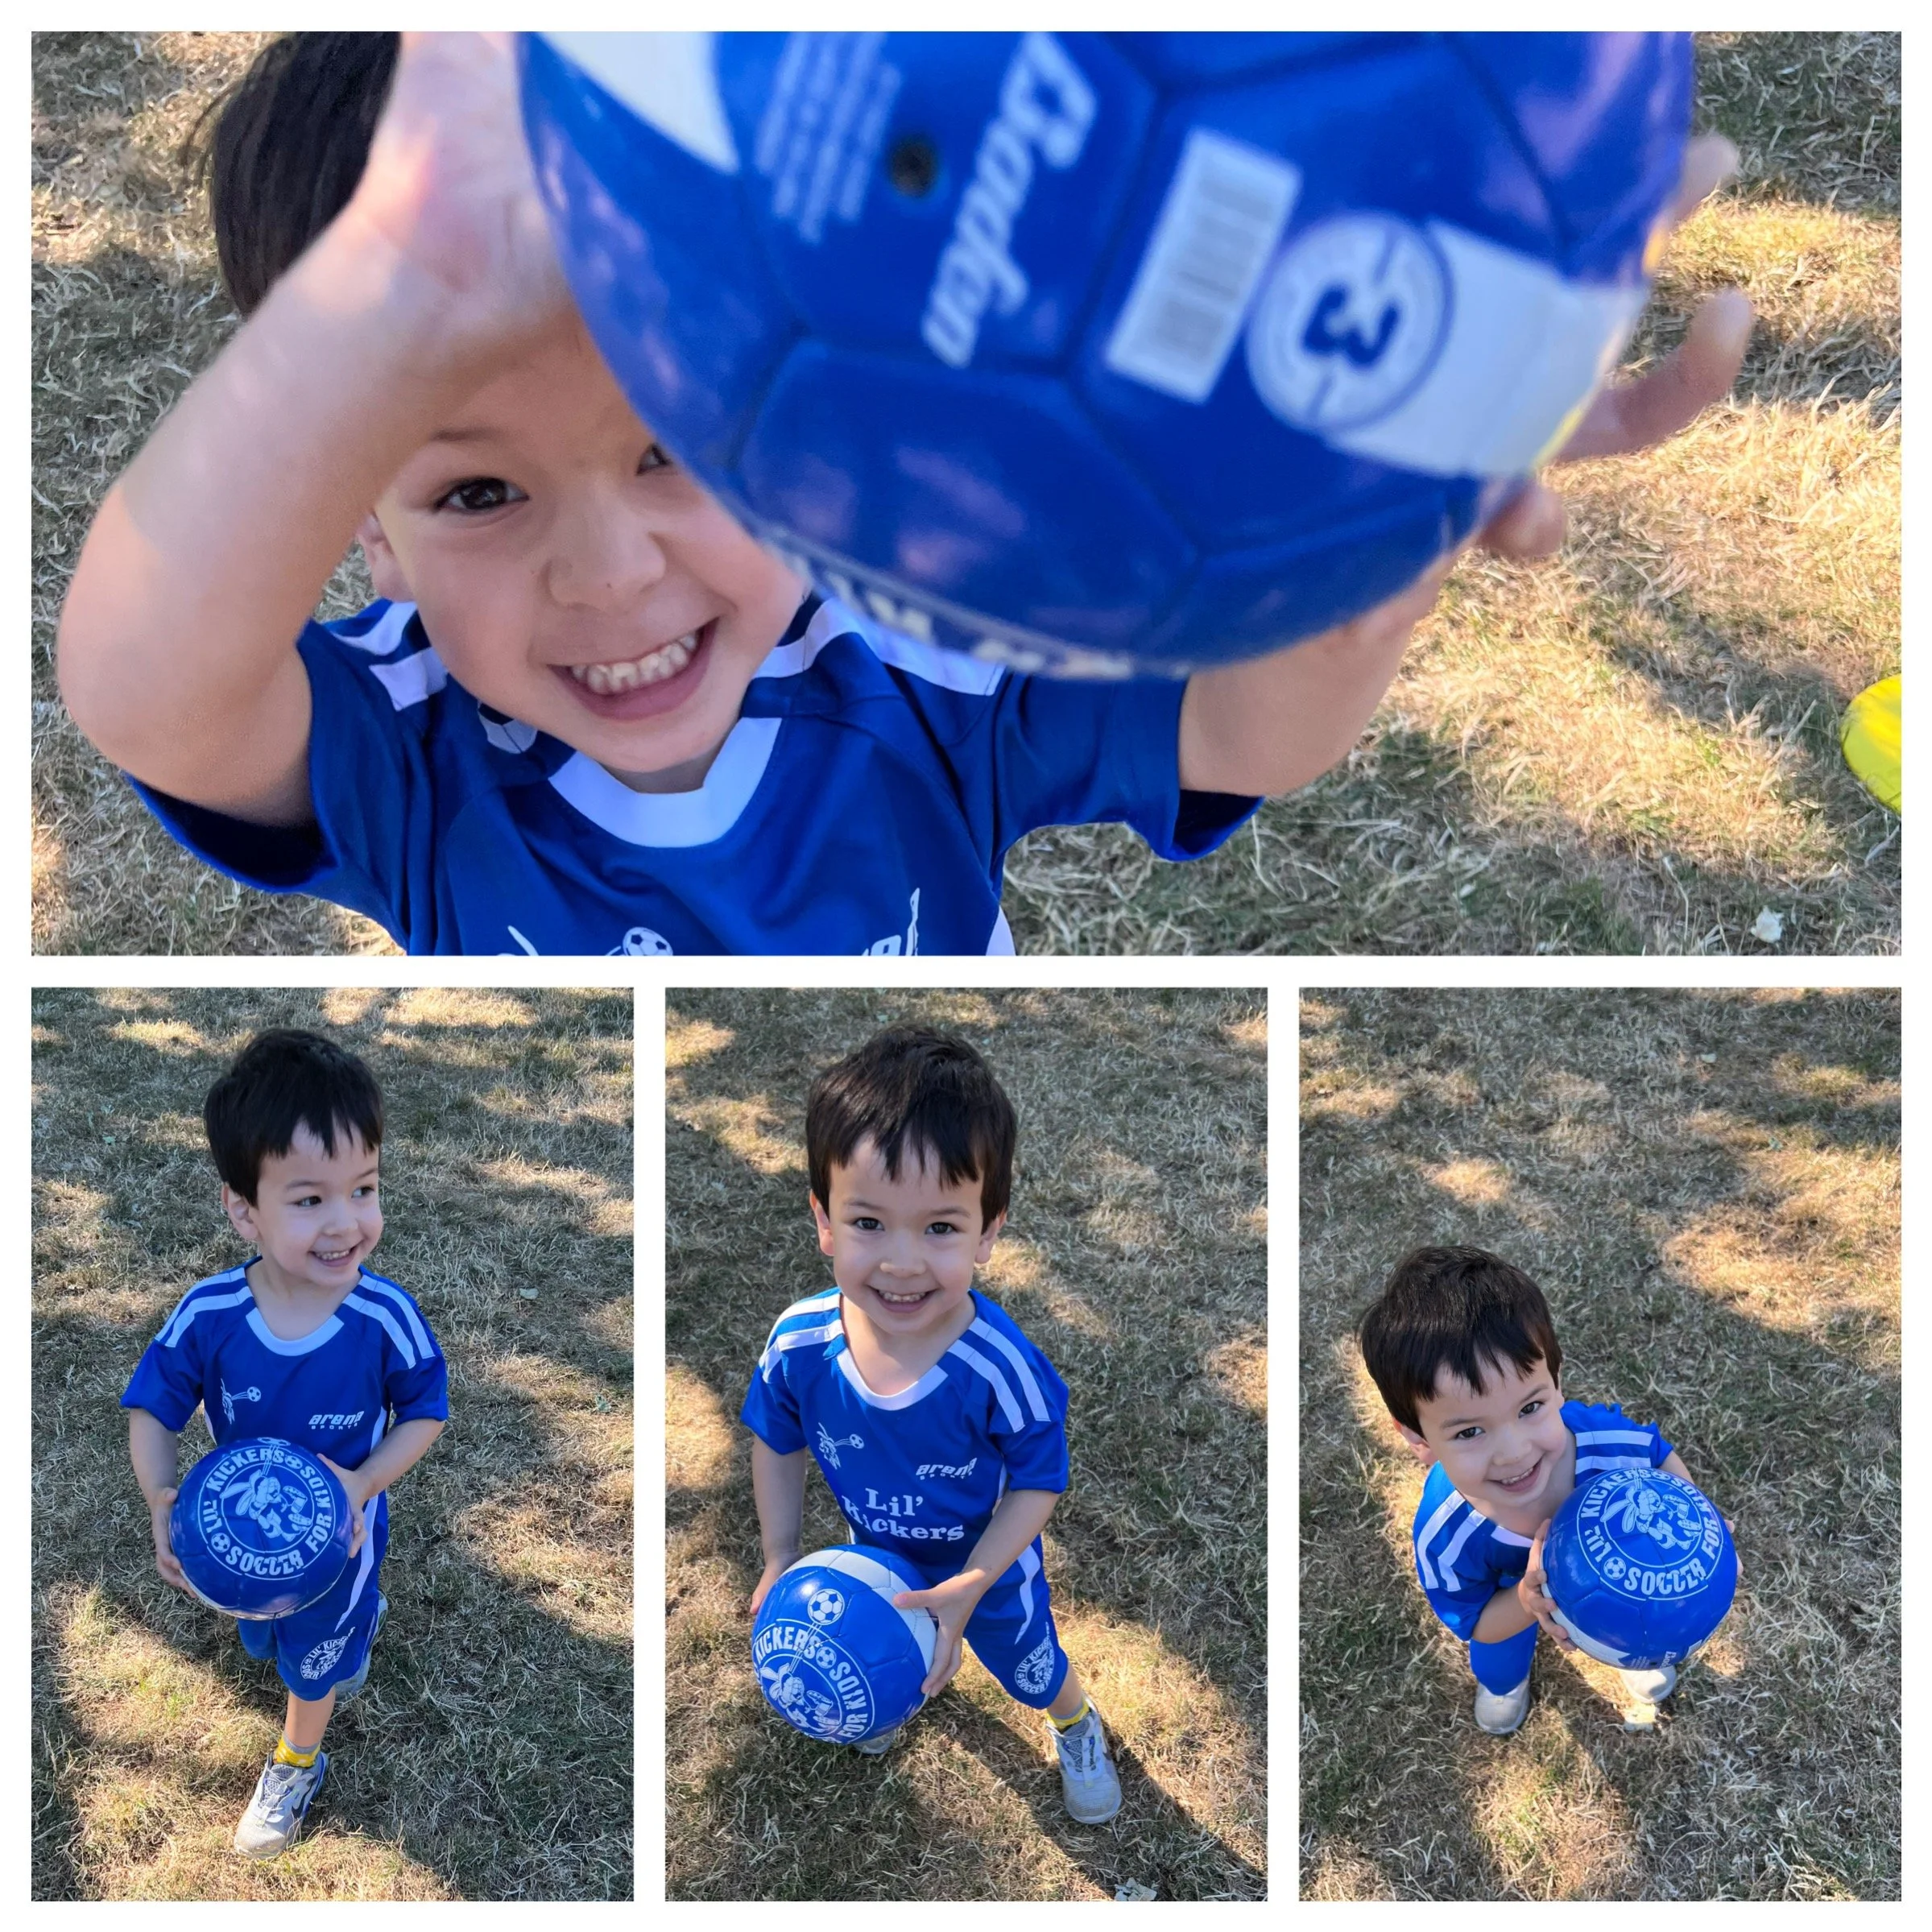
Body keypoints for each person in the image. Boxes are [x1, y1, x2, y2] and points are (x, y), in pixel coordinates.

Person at [54, 32, 1752, 957]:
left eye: (677, 449)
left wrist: (1363, 521)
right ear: (358, 521)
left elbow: (1247, 733)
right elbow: (148, 695)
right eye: (476, 493)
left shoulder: (916, 641)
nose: (603, 569)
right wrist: (410, 280)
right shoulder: (419, 762)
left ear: (839, 421)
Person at [740, 1025, 1121, 1821]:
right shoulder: (800, 1344)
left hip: (986, 1567)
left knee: (1030, 1667)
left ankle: (1075, 1721)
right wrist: (779, 1552)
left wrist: (973, 1580)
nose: (903, 1261)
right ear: (822, 1218)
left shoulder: (997, 1366)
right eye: (868, 1222)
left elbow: (1039, 1478)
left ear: (988, 1230)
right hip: (871, 1558)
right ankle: (889, 1688)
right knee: (882, 1654)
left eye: (940, 1227)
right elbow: (775, 1437)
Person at [122, 1029, 449, 1856]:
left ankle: (298, 1753)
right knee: (263, 1633)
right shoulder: (210, 1314)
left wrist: (361, 1483)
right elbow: (152, 1409)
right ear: (244, 1208)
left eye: (364, 1188)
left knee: (313, 1661)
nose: (347, 1222)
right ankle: (295, 1640)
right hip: (242, 1532)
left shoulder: (384, 1318)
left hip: (342, 1537)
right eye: (309, 1199)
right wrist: (162, 1495)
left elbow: (424, 1411)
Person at [1357, 1246, 1725, 1735]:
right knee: (1496, 1662)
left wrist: (1702, 1520)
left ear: (1556, 1382)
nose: (1513, 1451)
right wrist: (1527, 1604)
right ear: (1420, 1440)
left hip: (1629, 1586)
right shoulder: (1448, 1530)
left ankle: (1638, 1648)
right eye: (1469, 1432)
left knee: (1640, 1619)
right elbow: (1475, 1621)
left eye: (1530, 1408)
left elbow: (1658, 1455)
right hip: (1511, 1601)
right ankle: (1506, 1685)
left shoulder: (1605, 1443)